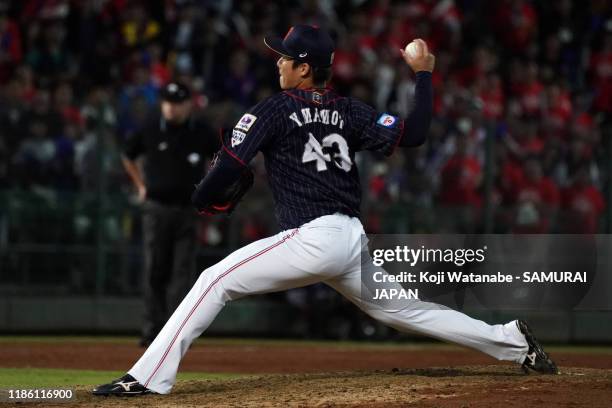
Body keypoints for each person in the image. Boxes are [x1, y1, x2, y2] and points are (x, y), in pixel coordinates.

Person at [94, 25, 558, 396]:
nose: (277, 61)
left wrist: (200, 199)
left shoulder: (273, 110)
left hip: (314, 238)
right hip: (348, 238)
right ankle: (513, 342)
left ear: (302, 68)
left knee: (213, 280)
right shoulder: (348, 109)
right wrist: (423, 73)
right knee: (407, 311)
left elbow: (227, 168)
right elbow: (414, 132)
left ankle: (147, 376)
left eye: (284, 56)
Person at [121, 81, 219, 347]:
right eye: (167, 102)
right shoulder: (151, 128)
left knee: (182, 273)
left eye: (177, 103)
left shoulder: (201, 131)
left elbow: (221, 157)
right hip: (157, 208)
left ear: (189, 104)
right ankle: (152, 329)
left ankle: (176, 333)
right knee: (155, 269)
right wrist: (140, 185)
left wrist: (211, 184)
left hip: (189, 209)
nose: (171, 108)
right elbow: (128, 155)